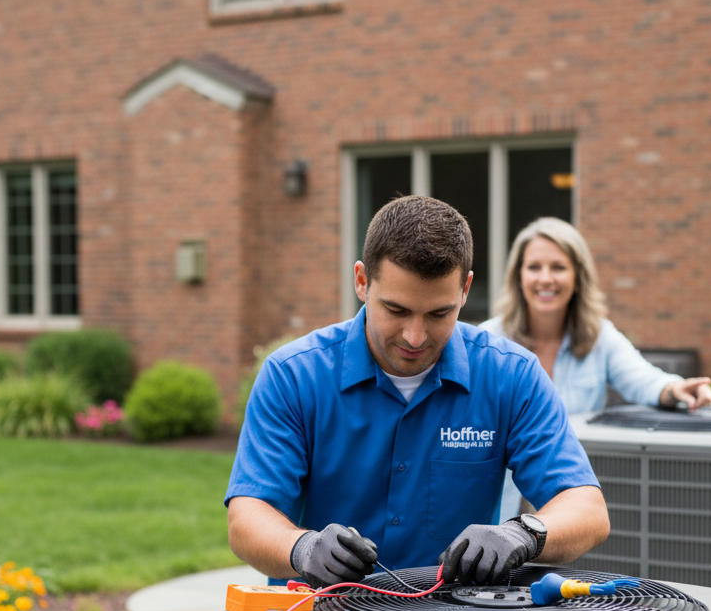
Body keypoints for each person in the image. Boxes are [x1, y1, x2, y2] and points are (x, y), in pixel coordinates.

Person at [225, 196, 610, 589]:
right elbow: (247, 518)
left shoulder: (512, 375)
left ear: (465, 290)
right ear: (361, 281)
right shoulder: (293, 375)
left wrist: (523, 533)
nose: (415, 336)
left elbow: (587, 510)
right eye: (396, 310)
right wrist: (301, 548)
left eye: (439, 314)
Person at [479, 217, 711, 520]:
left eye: (559, 267)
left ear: (578, 277)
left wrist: (676, 389)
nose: (546, 278)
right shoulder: (489, 341)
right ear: (518, 276)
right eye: (534, 267)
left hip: (569, 508)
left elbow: (642, 378)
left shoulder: (600, 337)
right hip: (500, 512)